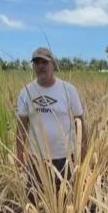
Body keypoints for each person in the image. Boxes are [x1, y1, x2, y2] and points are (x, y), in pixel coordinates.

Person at [16, 47, 84, 193]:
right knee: (34, 197)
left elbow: (80, 123)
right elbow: (21, 127)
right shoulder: (26, 92)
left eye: (44, 62)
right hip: (37, 160)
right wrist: (19, 157)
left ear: (52, 64)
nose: (40, 66)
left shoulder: (68, 90)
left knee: (67, 198)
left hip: (65, 158)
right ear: (33, 67)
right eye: (36, 63)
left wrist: (83, 153)